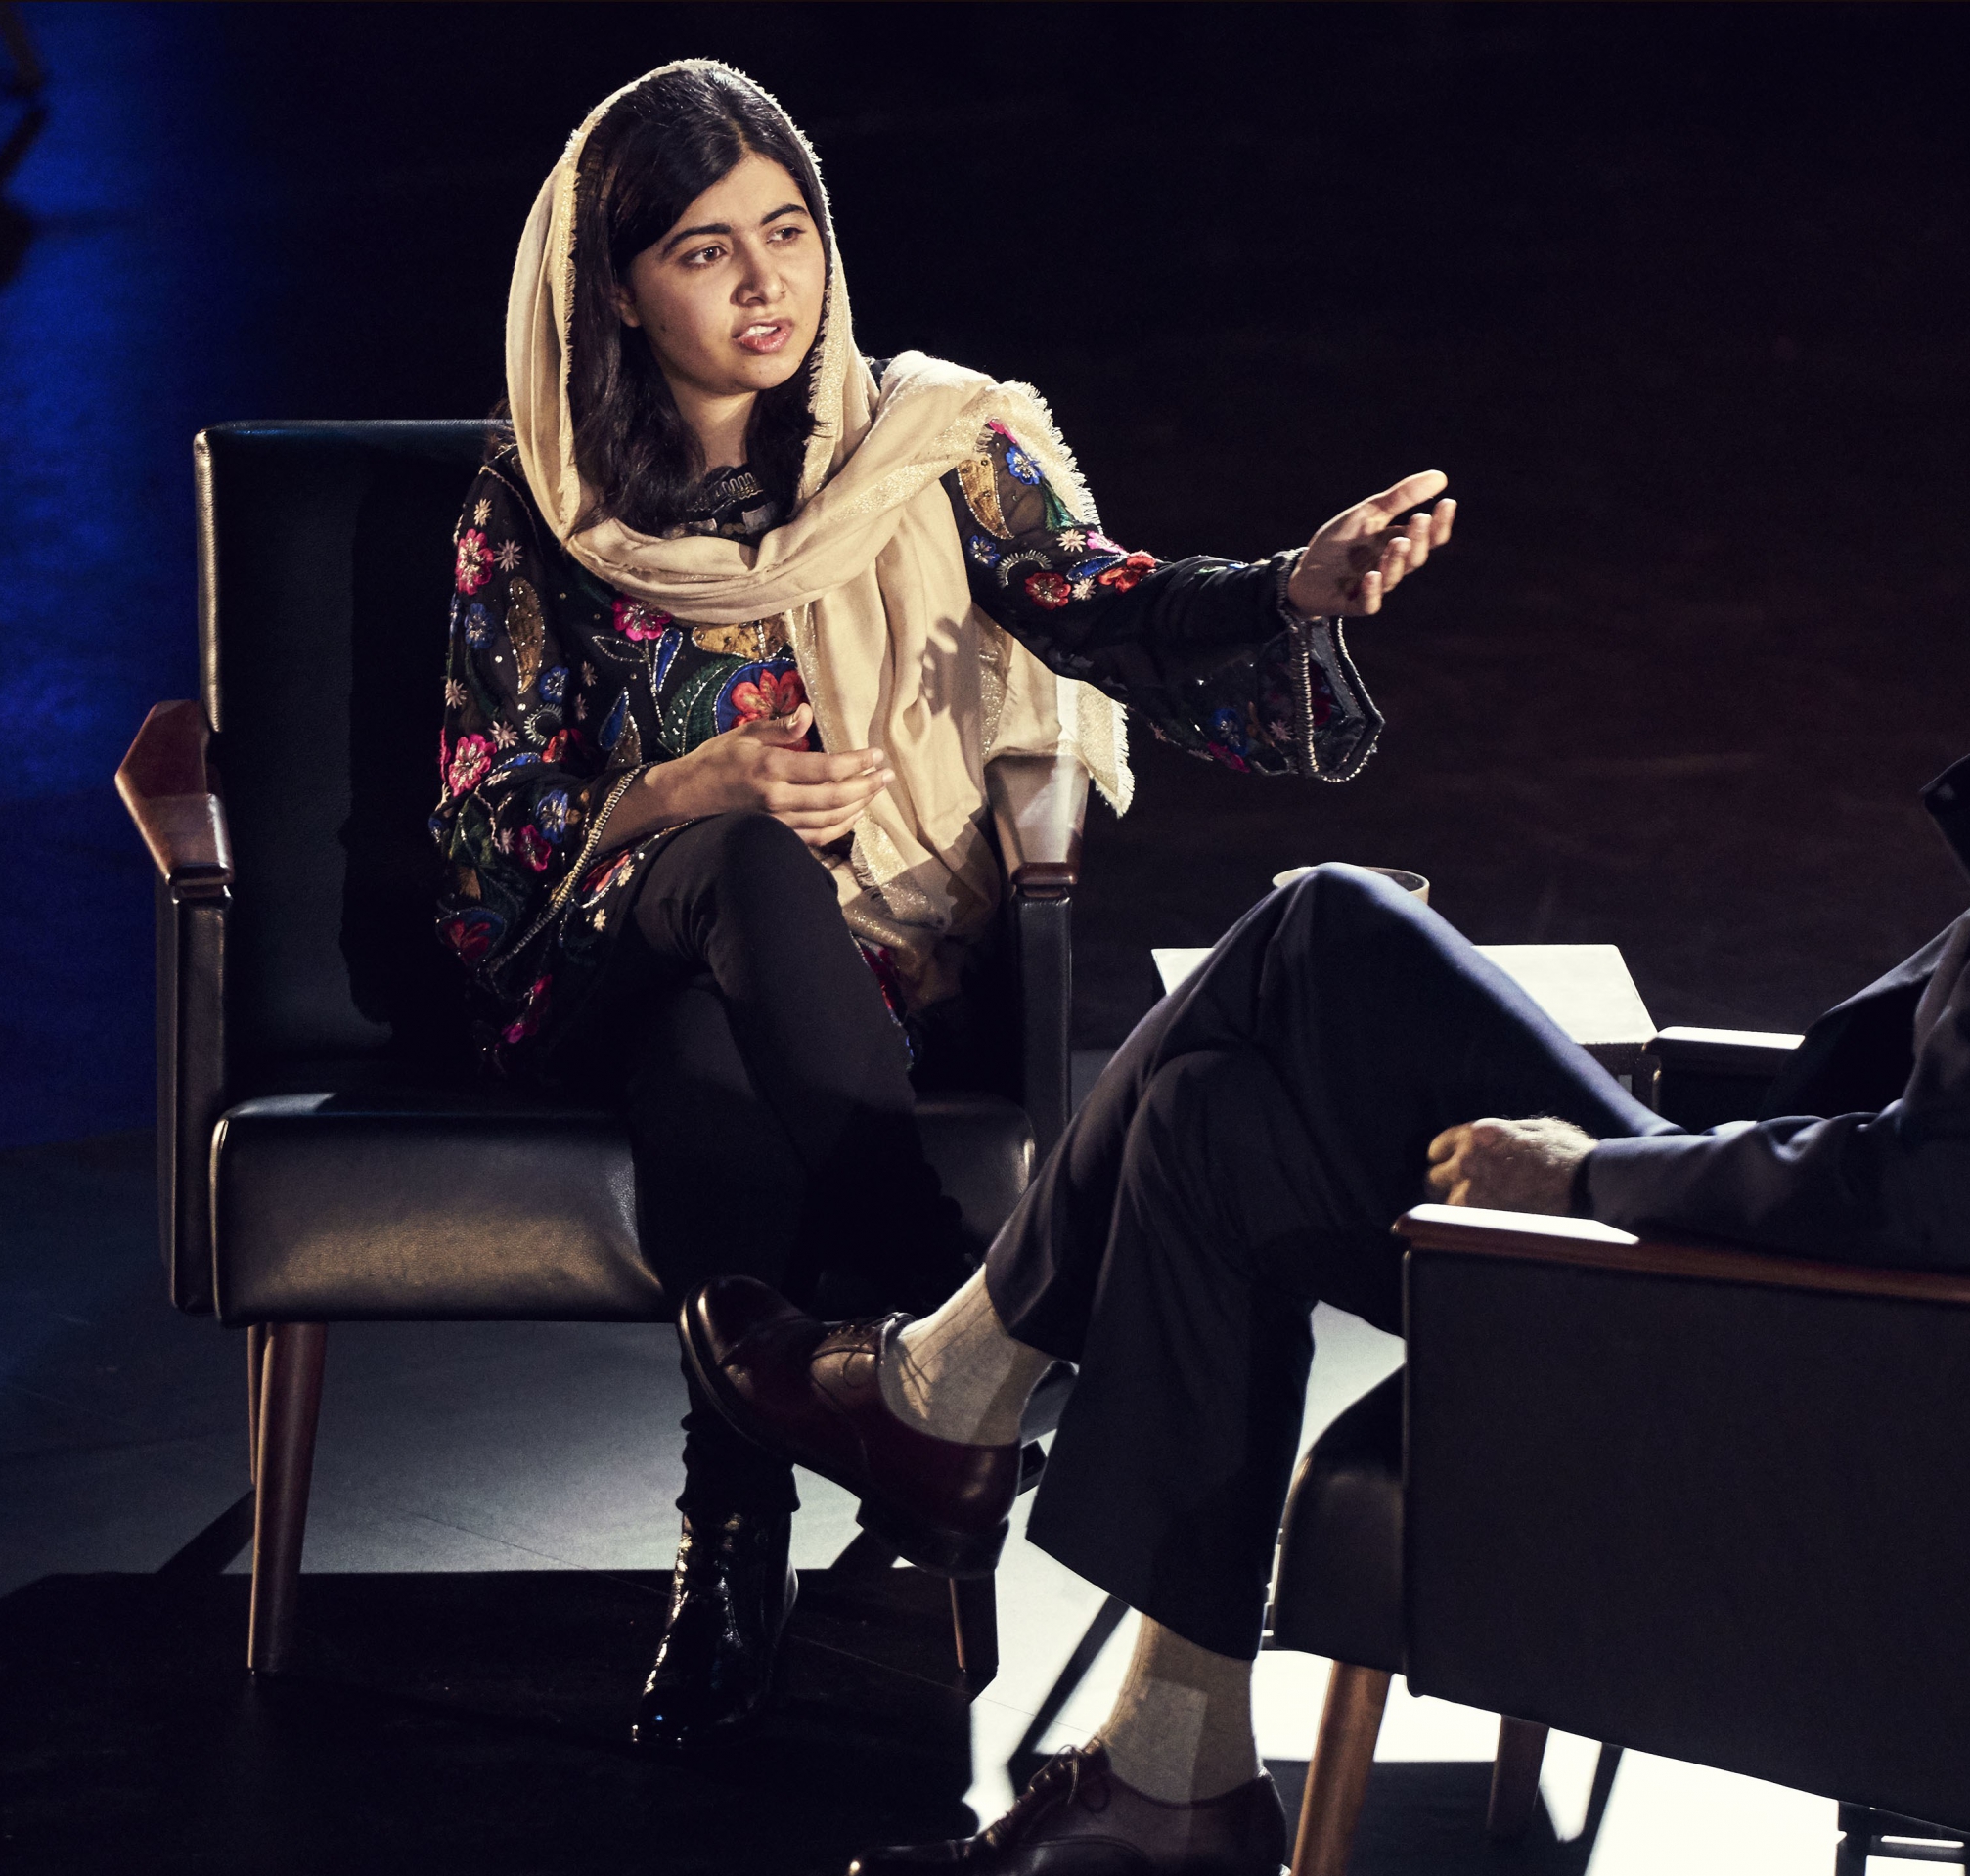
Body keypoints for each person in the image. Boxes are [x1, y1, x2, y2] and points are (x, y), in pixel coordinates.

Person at [683, 314, 1970, 1876]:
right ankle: (1168, 1767)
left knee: (1319, 931)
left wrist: (1591, 1174)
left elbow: (1941, 1196)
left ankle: (951, 1391)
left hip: (1843, 1389)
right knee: (1216, 1127)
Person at [427, 60, 1455, 1756]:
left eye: (788, 233)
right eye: (704, 251)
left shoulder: (924, 449)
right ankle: (938, 1293)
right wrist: (686, 789)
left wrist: (1293, 586)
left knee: (710, 1062)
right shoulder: (541, 501)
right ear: (616, 287)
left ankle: (734, 1541)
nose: (765, 286)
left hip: (845, 989)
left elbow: (1098, 604)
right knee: (741, 859)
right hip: (584, 955)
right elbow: (482, 825)